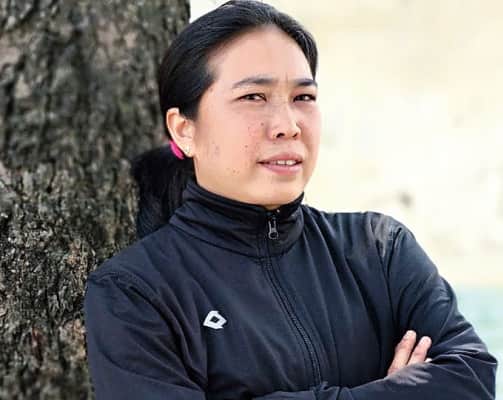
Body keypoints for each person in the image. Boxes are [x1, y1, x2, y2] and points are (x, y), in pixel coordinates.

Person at [83, 1, 497, 399]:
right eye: (253, 97)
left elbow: (471, 378)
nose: (287, 125)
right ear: (184, 129)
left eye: (303, 97)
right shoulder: (135, 293)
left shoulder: (379, 250)